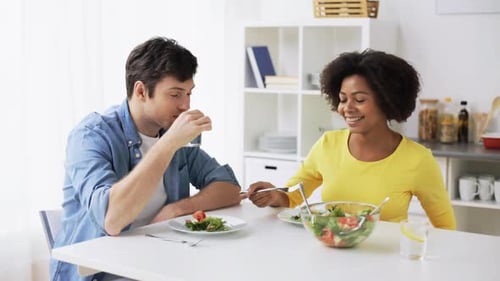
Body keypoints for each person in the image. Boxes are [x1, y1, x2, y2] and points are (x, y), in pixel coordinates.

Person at [50, 36, 242, 281]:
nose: (185, 105)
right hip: (100, 273)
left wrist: (177, 209)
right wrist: (168, 144)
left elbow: (229, 188)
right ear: (141, 91)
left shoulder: (171, 131)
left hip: (158, 263)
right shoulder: (90, 136)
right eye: (175, 94)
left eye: (188, 93)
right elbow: (112, 219)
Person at [246, 49, 456, 230]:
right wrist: (272, 195)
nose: (347, 108)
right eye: (343, 99)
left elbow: (445, 226)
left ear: (387, 101)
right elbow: (292, 196)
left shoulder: (417, 159)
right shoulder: (328, 145)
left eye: (360, 99)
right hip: (333, 252)